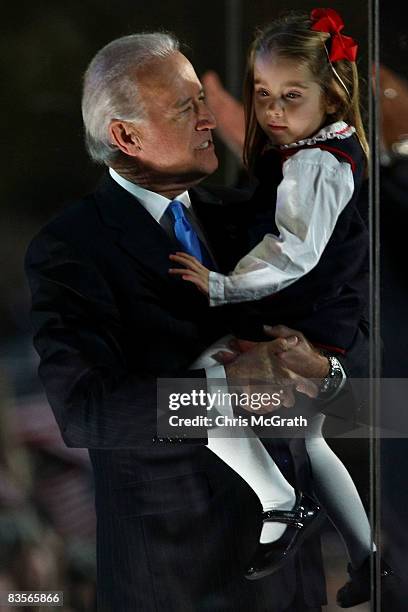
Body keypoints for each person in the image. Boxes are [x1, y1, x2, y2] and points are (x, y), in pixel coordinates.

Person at [25, 30, 369, 611]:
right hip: (176, 582)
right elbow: (86, 414)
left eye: (203, 102)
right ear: (125, 136)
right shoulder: (71, 249)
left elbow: (356, 365)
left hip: (294, 588)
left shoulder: (257, 219)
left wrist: (325, 371)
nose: (209, 118)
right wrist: (224, 392)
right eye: (187, 107)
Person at [169, 9, 395, 607]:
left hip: (313, 321)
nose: (272, 111)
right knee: (309, 440)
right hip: (321, 315)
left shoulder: (318, 163)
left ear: (333, 98)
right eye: (263, 94)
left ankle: (282, 502)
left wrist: (220, 286)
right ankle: (370, 559)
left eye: (290, 96)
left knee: (200, 387)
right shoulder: (309, 148)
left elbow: (293, 251)